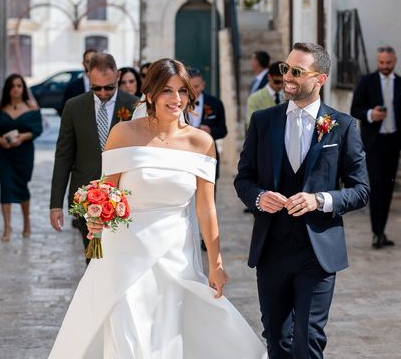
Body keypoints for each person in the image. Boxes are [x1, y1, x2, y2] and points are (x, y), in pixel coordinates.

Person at [49, 58, 266, 358]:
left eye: (182, 91)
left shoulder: (201, 142)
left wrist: (216, 264)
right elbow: (104, 189)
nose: (176, 99)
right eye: (167, 90)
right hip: (123, 252)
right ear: (150, 94)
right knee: (127, 331)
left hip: (175, 253)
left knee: (167, 335)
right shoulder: (123, 133)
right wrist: (94, 218)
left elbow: (206, 209)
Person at [235, 42, 369, 359]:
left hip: (317, 252)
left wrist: (319, 200)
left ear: (320, 79)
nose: (287, 77)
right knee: (277, 341)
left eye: (297, 71)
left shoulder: (343, 126)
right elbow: (243, 178)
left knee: (307, 341)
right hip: (272, 250)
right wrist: (258, 196)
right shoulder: (263, 121)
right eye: (285, 68)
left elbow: (360, 189)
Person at [49, 53, 138, 258]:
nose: (103, 93)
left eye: (109, 87)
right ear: (88, 76)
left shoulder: (134, 106)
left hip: (124, 194)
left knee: (120, 258)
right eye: (96, 88)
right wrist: (55, 204)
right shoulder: (73, 107)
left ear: (118, 76)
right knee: (93, 258)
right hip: (85, 196)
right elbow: (63, 156)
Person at [350, 45, 401, 249]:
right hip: (374, 144)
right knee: (376, 187)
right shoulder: (366, 81)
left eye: (388, 63)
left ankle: (381, 231)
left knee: (388, 188)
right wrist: (370, 114)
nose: (385, 66)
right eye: (381, 62)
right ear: (378, 61)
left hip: (393, 143)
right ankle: (376, 233)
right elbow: (355, 108)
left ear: (395, 61)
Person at [0, 74, 43, 242]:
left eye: (19, 86)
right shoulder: (0, 108)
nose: (16, 89)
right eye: (12, 86)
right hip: (4, 153)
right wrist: (0, 141)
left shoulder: (32, 107)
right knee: (5, 187)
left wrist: (22, 137)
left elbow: (37, 129)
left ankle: (26, 222)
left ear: (23, 88)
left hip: (24, 153)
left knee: (22, 186)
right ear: (8, 89)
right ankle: (7, 226)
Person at [187, 68, 227, 179]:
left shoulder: (215, 103)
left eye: (197, 86)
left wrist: (210, 131)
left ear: (203, 85)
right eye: (190, 87)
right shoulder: (179, 103)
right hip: (185, 154)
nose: (194, 90)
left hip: (208, 154)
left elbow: (223, 130)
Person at [245, 62, 284, 128]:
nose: (280, 85)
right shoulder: (254, 99)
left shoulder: (290, 97)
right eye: (277, 82)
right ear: (269, 77)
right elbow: (250, 124)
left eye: (283, 82)